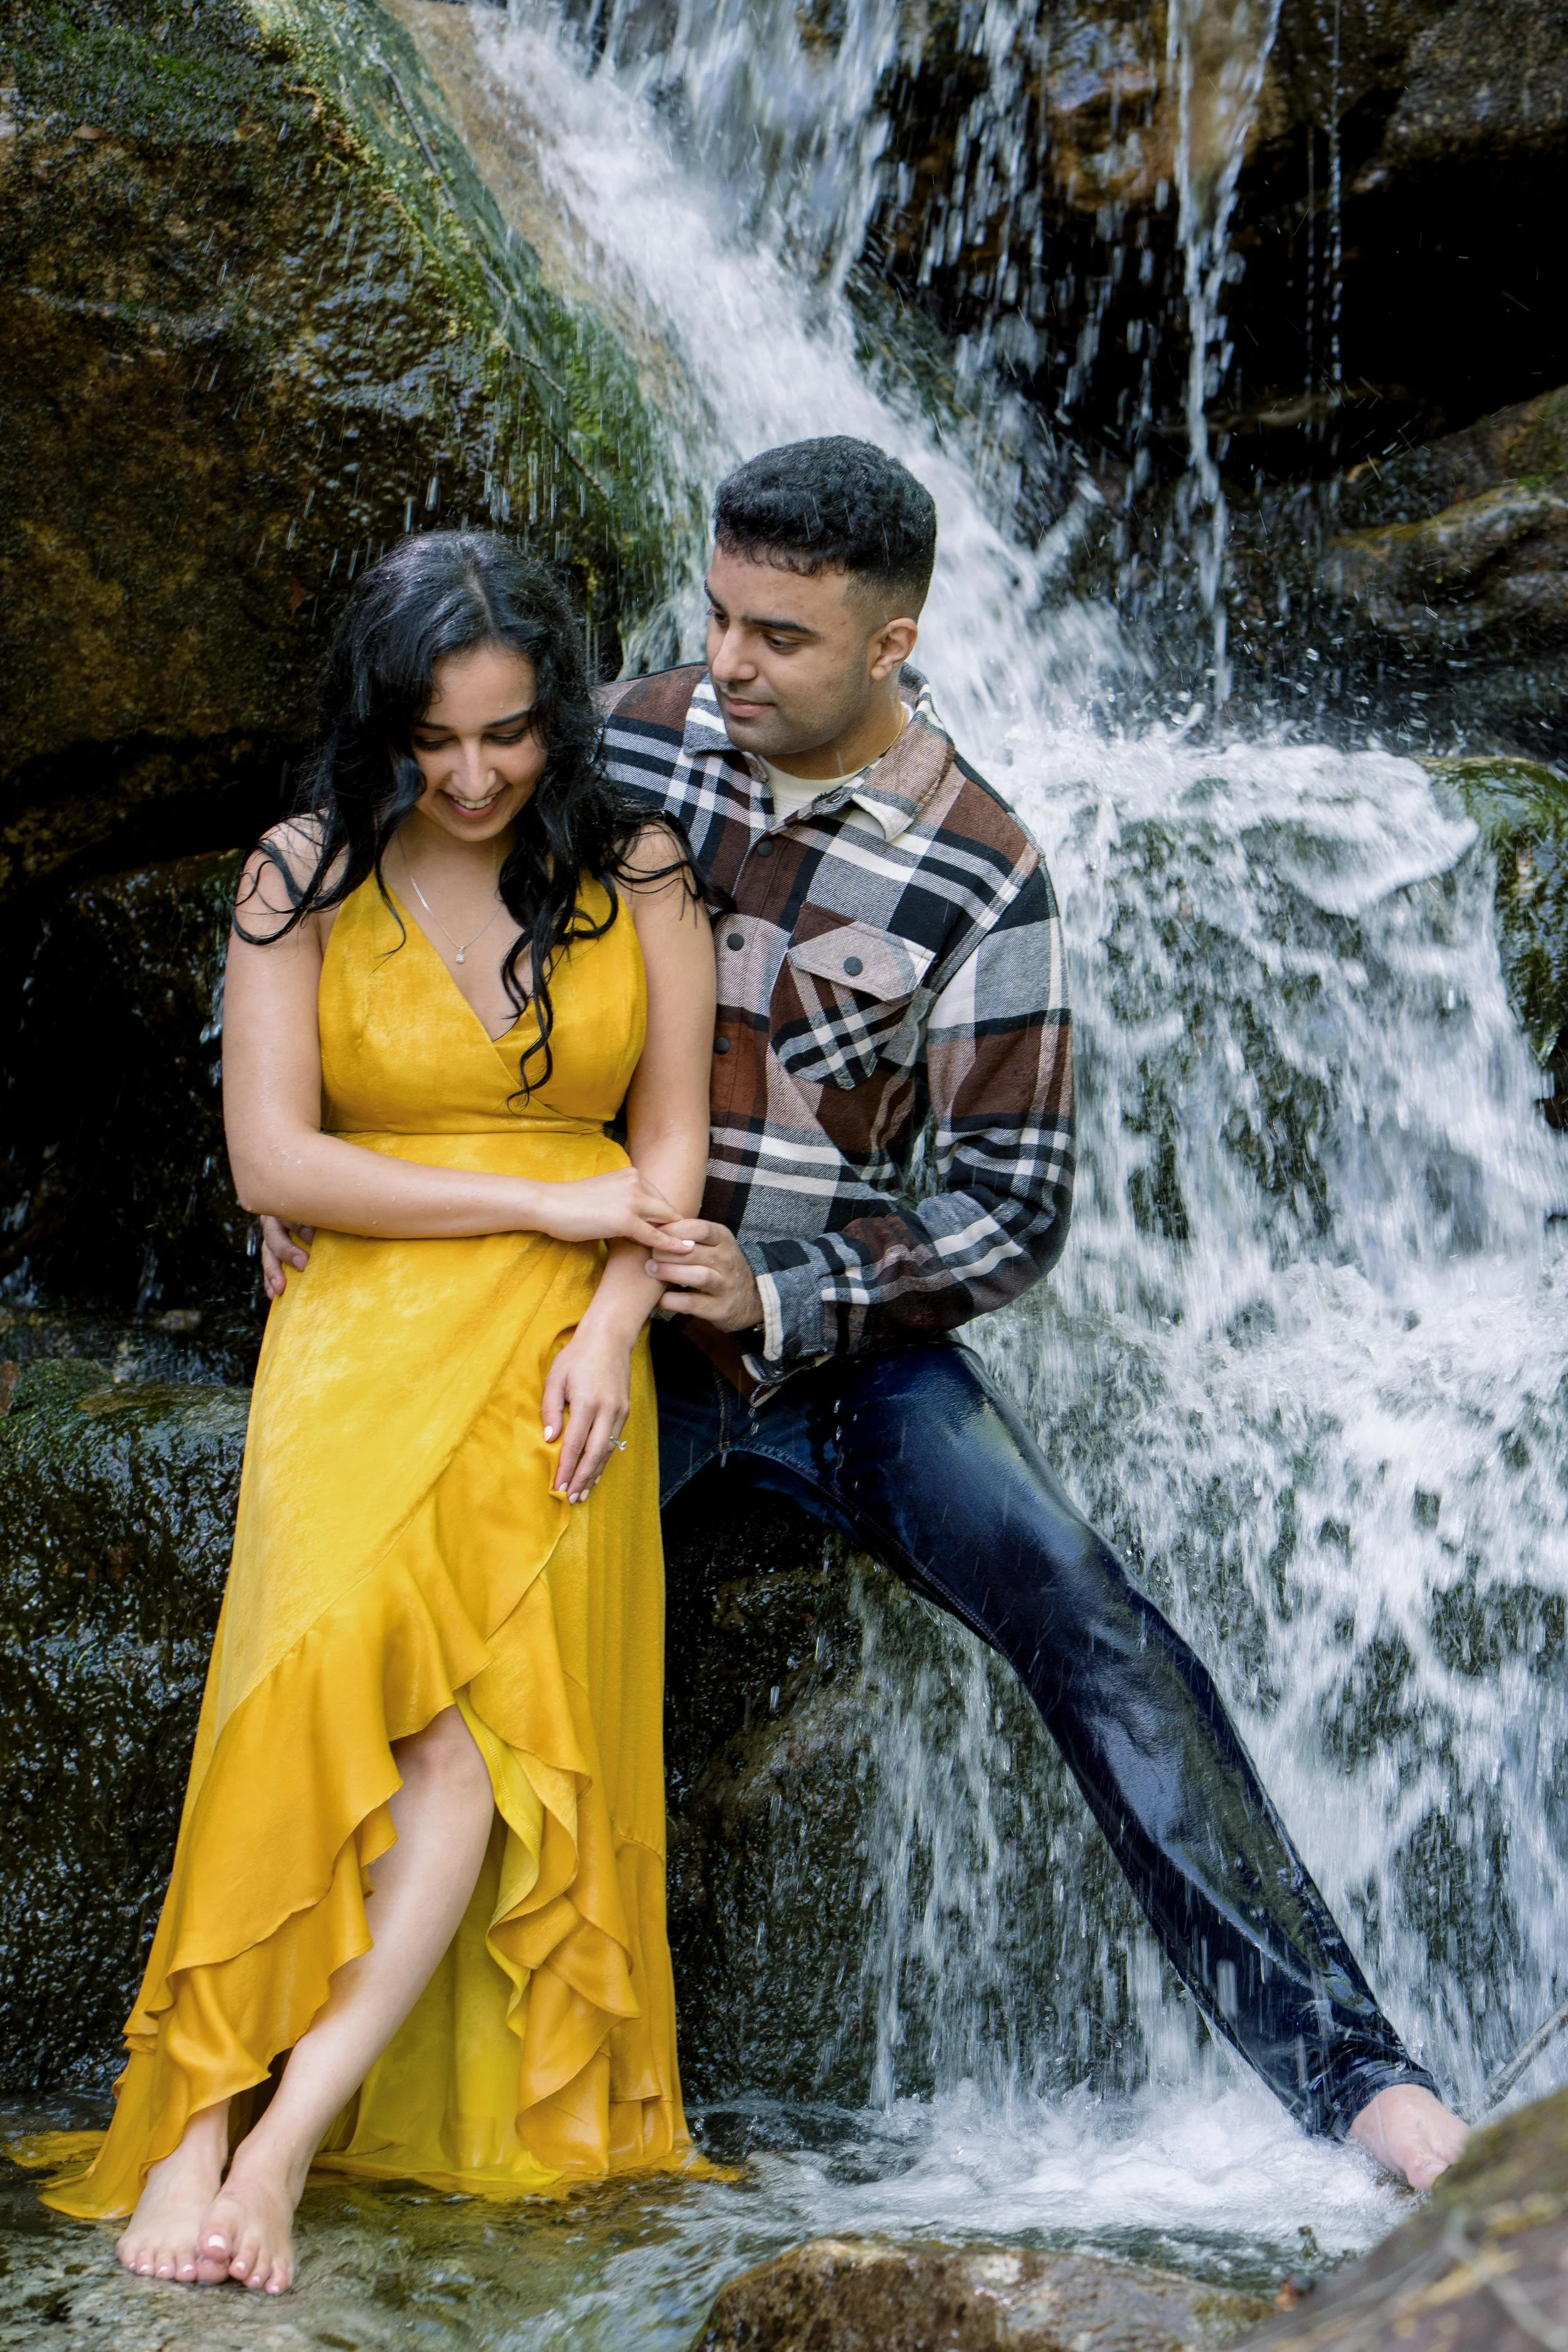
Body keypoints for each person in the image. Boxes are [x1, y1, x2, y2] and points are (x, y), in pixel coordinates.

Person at [263, 440, 1470, 2192]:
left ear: (892, 643)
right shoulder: (630, 739)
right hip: (586, 1316)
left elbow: (1010, 1206)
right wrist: (276, 1176)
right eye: (721, 616)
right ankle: (288, 2084)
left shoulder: (980, 872)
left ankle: (1360, 2082)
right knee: (419, 1623)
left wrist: (788, 1287)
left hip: (845, 1359)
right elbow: (367, 912)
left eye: (783, 639)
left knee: (1086, 1612)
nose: (728, 667)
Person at [44, 534, 717, 2292]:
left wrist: (612, 1308)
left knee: (474, 1740)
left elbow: (666, 1151)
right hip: (363, 1319)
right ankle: (186, 2121)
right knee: (309, 1677)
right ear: (381, 725)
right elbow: (275, 1157)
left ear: (555, 721)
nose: (479, 776)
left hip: (566, 1335)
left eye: (509, 735)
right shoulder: (299, 870)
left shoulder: (634, 861)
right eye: (440, 742)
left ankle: (269, 2150)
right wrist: (541, 1205)